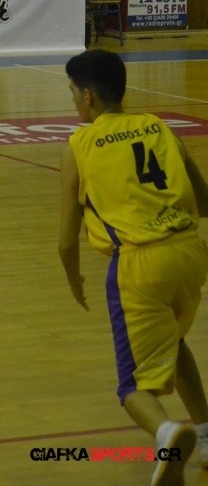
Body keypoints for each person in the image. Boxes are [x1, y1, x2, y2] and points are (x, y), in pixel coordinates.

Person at [58, 49, 208, 486]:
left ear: (88, 96)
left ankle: (167, 435)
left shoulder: (79, 145)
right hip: (190, 254)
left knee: (131, 386)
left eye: (72, 92)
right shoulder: (159, 127)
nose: (73, 100)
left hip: (140, 266)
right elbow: (204, 202)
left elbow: (66, 241)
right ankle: (206, 434)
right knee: (173, 342)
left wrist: (74, 281)